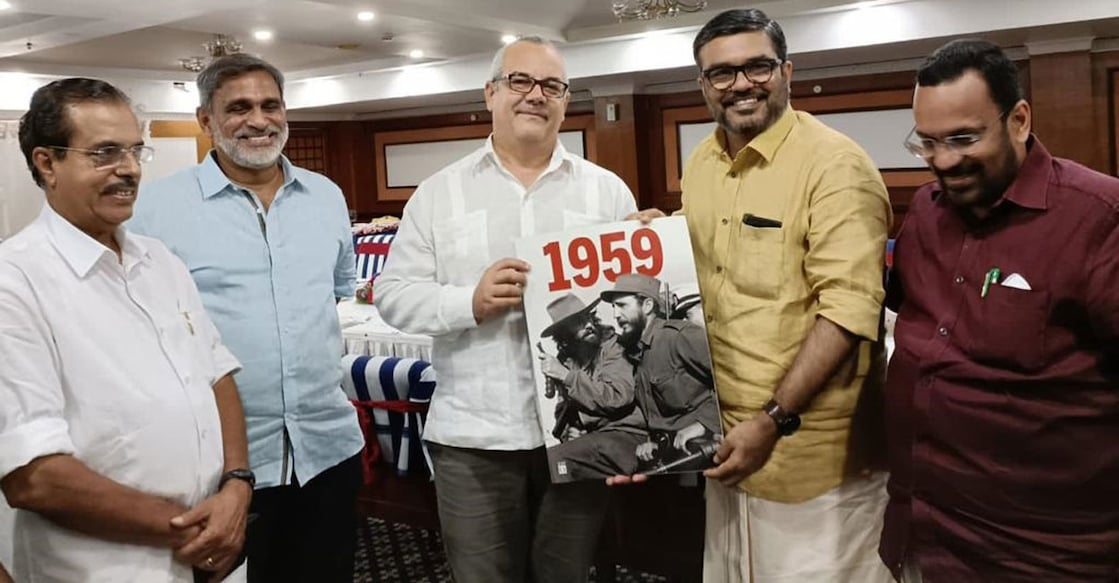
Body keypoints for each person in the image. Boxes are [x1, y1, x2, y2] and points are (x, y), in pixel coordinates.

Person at [374, 36, 637, 583]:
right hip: (474, 437)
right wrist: (466, 301)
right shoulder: (437, 194)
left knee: (565, 573)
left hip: (578, 431)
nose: (535, 96)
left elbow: (633, 312)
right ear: (491, 92)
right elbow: (393, 295)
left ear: (566, 101)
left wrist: (650, 251)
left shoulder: (606, 194)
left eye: (552, 86)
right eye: (520, 81)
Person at [666, 9, 894, 582]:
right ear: (702, 86)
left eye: (758, 67)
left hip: (811, 458)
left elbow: (848, 311)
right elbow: (709, 278)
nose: (740, 84)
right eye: (721, 73)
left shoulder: (836, 166)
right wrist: (654, 239)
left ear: (787, 71)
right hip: (725, 442)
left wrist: (771, 419)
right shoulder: (702, 162)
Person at [882, 39, 1119, 582]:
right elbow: (901, 317)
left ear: (1018, 119)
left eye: (964, 139)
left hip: (1043, 557)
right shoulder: (925, 210)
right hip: (923, 536)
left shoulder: (1100, 219)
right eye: (928, 143)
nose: (943, 161)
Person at [0, 78, 251, 582]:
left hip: (214, 553)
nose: (130, 169)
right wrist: (194, 532)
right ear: (46, 163)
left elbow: (217, 375)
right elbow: (34, 476)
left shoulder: (159, 261)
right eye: (105, 153)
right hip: (108, 567)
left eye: (136, 150)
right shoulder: (15, 281)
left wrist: (238, 487)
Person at [129, 55, 364, 583]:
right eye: (238, 108)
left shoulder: (326, 198)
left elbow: (334, 295)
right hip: (218, 462)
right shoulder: (155, 211)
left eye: (270, 105)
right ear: (205, 120)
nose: (258, 120)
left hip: (327, 450)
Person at [600, 274, 720, 472]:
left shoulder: (678, 337)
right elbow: (660, 416)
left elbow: (734, 381)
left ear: (647, 306)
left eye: (622, 305)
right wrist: (652, 441)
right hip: (671, 452)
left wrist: (703, 424)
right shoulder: (638, 352)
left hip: (705, 448)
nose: (615, 315)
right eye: (614, 307)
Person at [537, 293, 646, 481]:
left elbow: (618, 397)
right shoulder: (568, 361)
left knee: (556, 461)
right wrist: (569, 433)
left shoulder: (615, 347)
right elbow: (563, 410)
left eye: (588, 318)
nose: (588, 325)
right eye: (578, 322)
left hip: (628, 436)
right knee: (553, 466)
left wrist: (566, 376)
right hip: (596, 441)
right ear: (563, 334)